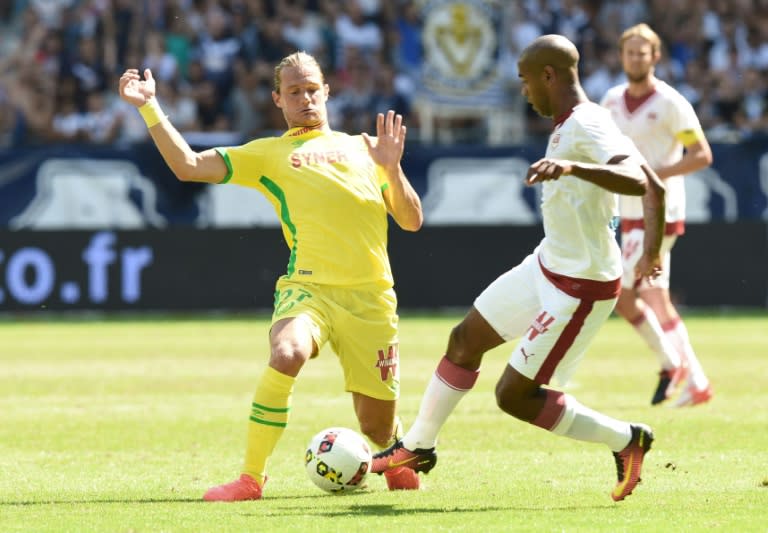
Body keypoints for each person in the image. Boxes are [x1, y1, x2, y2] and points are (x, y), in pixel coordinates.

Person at [370, 34, 666, 502]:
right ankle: (417, 446)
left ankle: (626, 439)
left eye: (526, 82)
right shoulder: (572, 121)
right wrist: (649, 249)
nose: (524, 92)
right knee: (464, 340)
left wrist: (570, 168)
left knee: (513, 396)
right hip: (547, 265)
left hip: (580, 287)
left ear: (549, 76)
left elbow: (639, 180)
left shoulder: (587, 124)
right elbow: (655, 190)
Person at [118, 51, 424, 501]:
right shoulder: (269, 154)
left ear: (327, 92)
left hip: (371, 297)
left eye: (312, 90)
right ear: (278, 99)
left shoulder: (367, 148)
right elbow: (187, 166)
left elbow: (412, 220)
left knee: (374, 425)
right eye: (295, 92)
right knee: (287, 352)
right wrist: (149, 106)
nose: (306, 98)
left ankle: (393, 451)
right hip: (309, 289)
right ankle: (251, 479)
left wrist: (392, 167)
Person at [600, 23, 714, 407]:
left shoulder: (670, 103)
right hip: (627, 211)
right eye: (629, 52)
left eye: (642, 52)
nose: (635, 58)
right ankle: (696, 380)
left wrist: (652, 176)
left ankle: (674, 365)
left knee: (622, 294)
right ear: (622, 56)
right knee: (655, 299)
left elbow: (701, 154)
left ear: (655, 56)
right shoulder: (611, 100)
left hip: (659, 212)